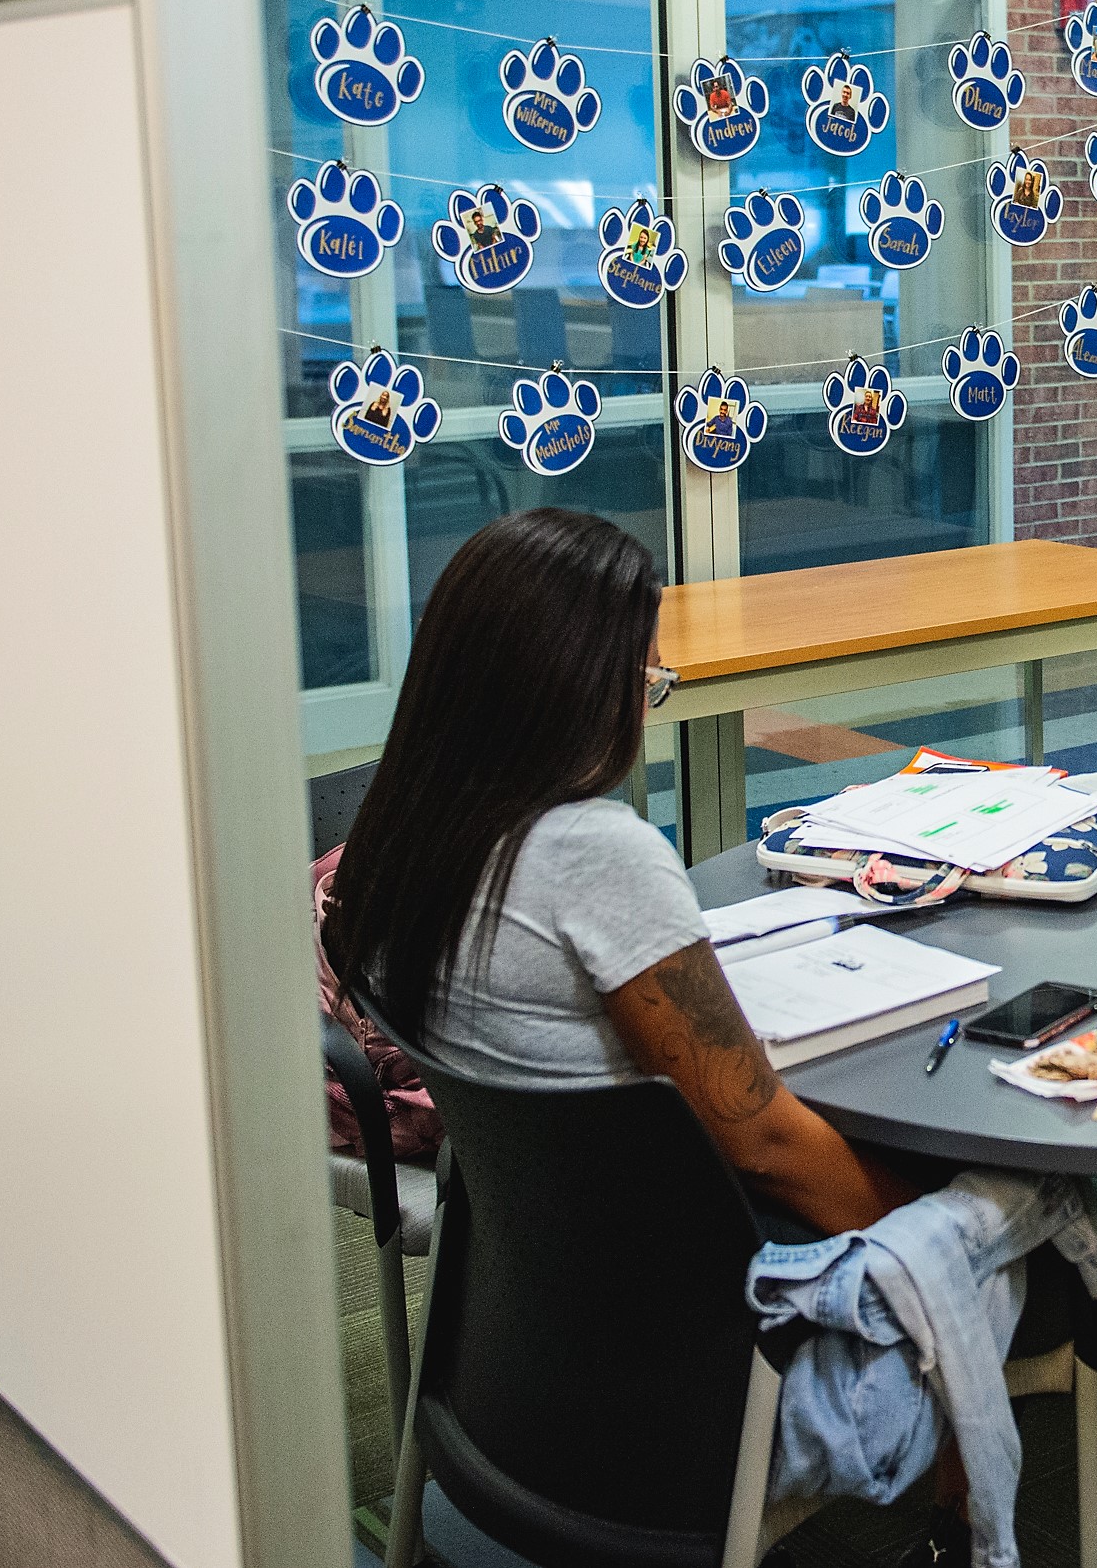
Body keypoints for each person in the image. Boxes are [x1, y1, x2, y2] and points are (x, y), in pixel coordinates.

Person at [325, 509, 988, 1568]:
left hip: (520, 1349)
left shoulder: (408, 841)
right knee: (988, 1205)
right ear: (572, 687)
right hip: (684, 1364)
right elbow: (762, 1138)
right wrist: (922, 1224)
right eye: (644, 678)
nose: (646, 703)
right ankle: (964, 1529)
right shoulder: (592, 853)